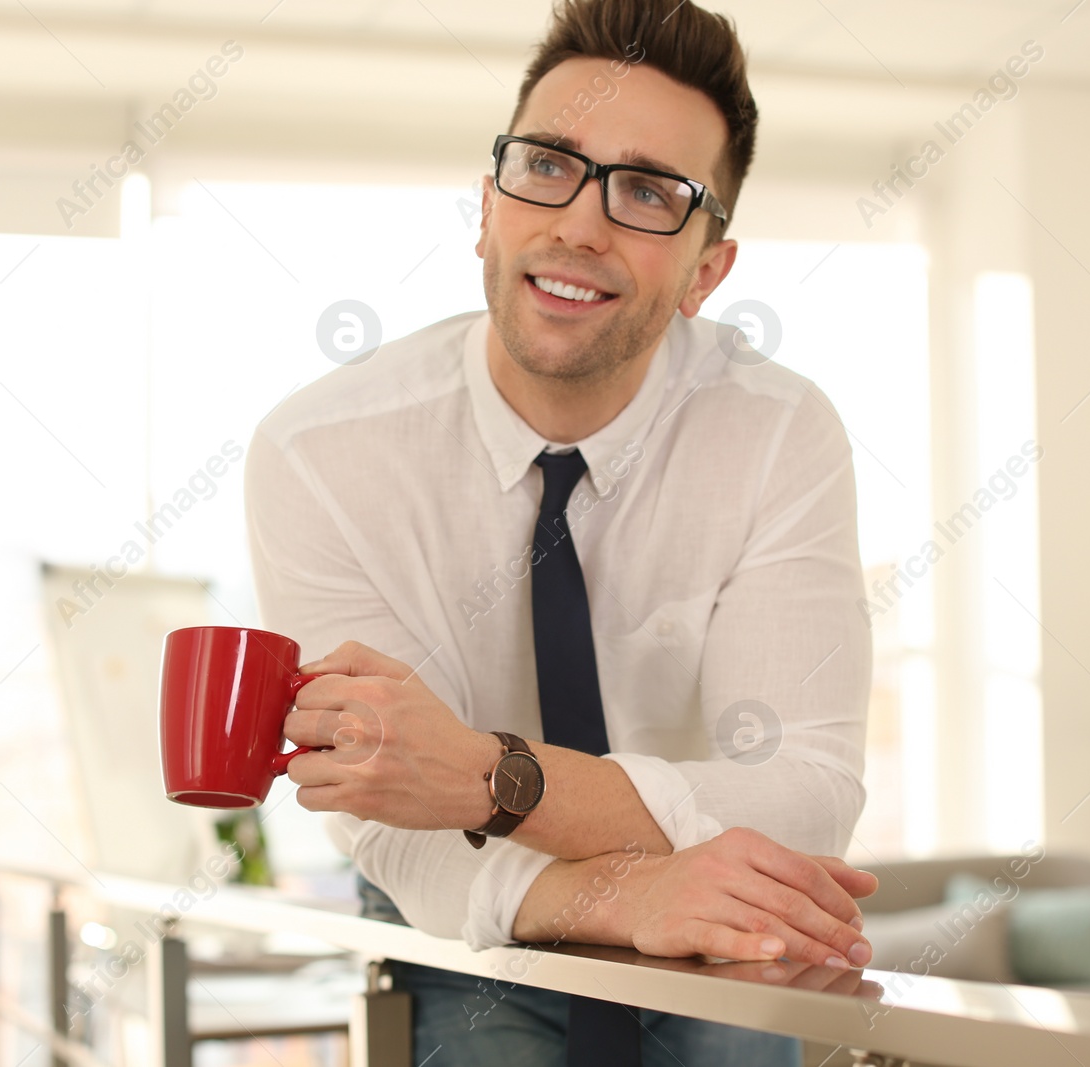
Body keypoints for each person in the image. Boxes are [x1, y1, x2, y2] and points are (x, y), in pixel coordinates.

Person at [244, 1, 878, 1062]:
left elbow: (807, 794)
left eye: (647, 192)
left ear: (704, 273)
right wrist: (625, 891)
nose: (580, 223)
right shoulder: (320, 452)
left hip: (719, 894)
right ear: (487, 206)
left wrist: (490, 775)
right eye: (548, 165)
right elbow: (389, 813)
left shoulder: (777, 432)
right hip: (458, 897)